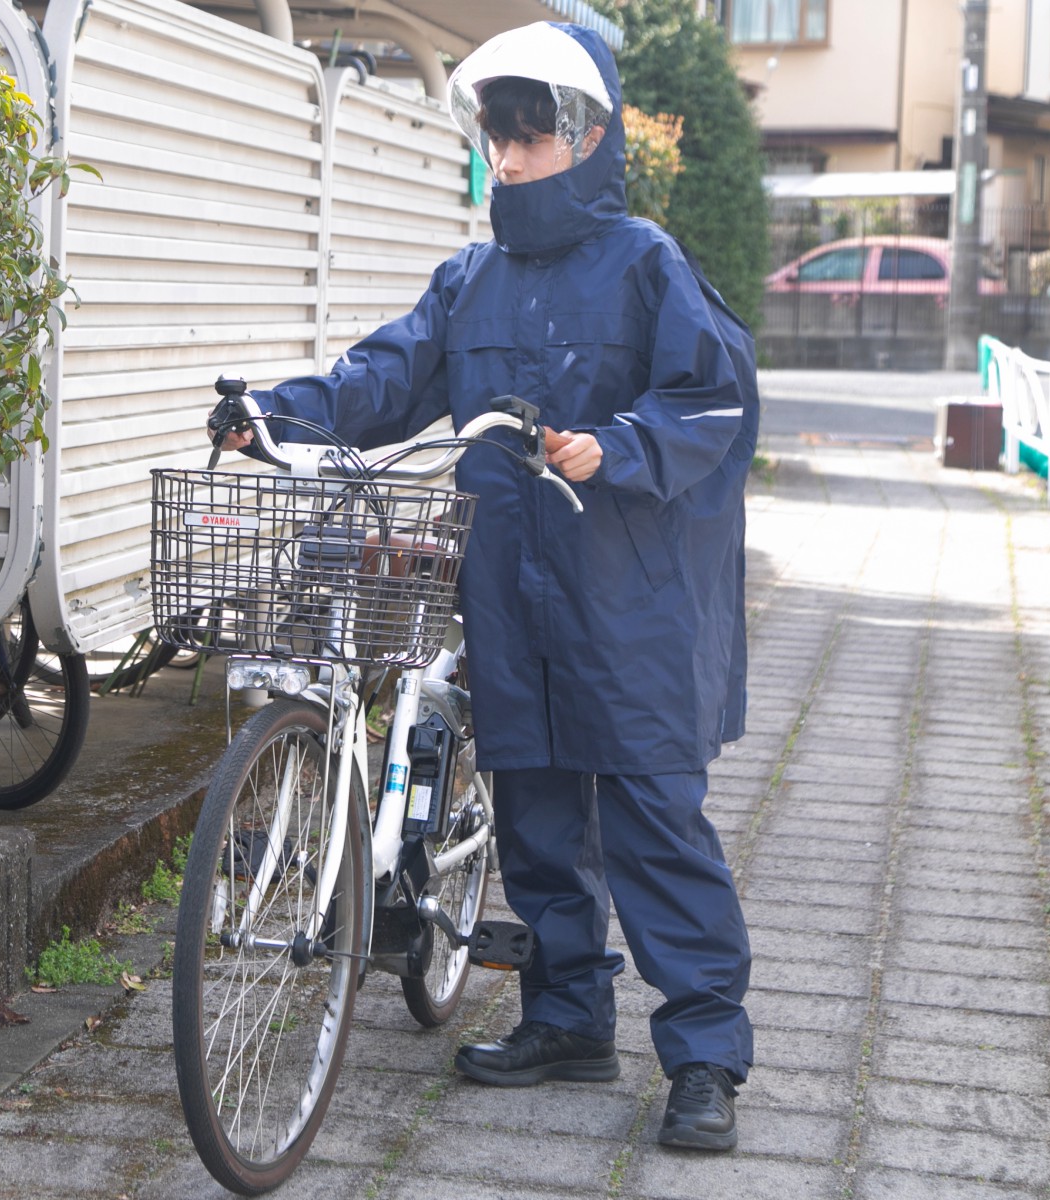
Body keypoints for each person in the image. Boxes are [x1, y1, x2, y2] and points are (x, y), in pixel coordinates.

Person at [214, 20, 758, 1152]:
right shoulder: (471, 280)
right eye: (498, 143)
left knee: (656, 825)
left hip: (635, 602)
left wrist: (623, 445)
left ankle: (705, 1055)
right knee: (538, 818)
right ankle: (567, 1019)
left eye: (529, 142)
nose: (507, 164)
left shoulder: (649, 264)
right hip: (512, 592)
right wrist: (274, 410)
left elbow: (715, 403)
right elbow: (386, 374)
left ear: (589, 137)